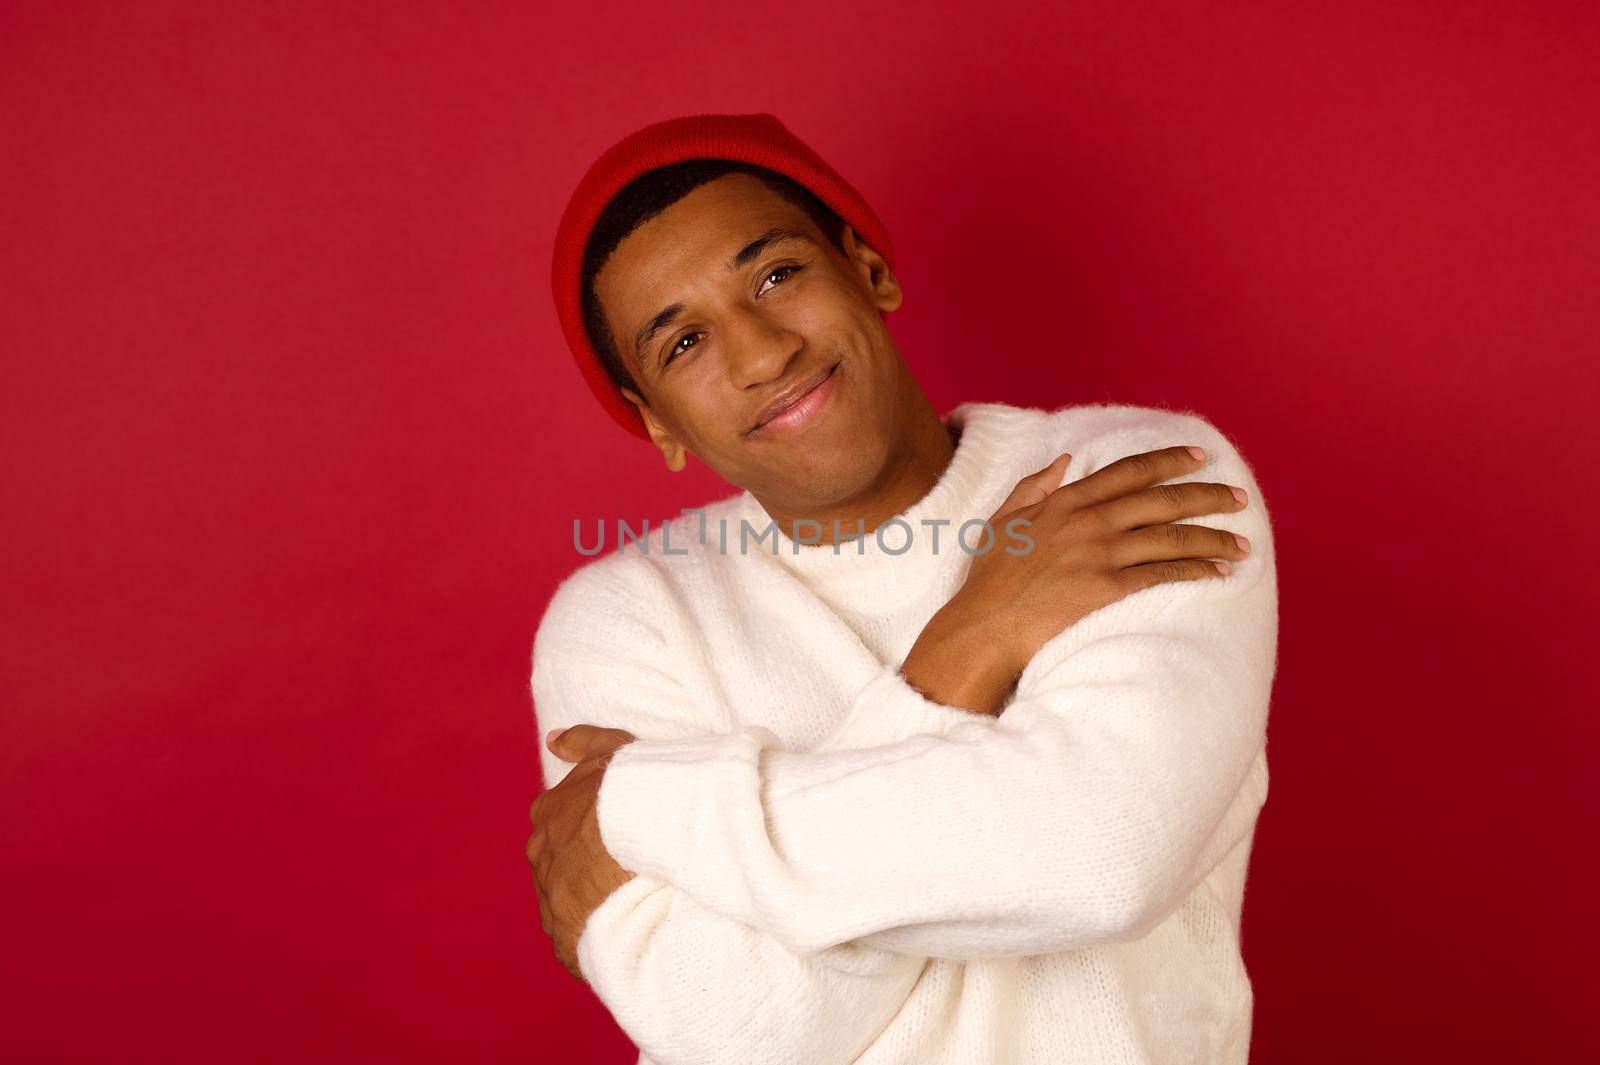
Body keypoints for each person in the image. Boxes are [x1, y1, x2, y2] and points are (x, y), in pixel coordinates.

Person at [526, 112, 1278, 1065]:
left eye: (775, 275)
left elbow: (1104, 852)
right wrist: (973, 637)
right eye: (682, 345)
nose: (761, 353)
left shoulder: (1132, 478)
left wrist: (644, 802)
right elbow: (729, 1029)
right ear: (658, 422)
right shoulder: (628, 621)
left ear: (867, 269)